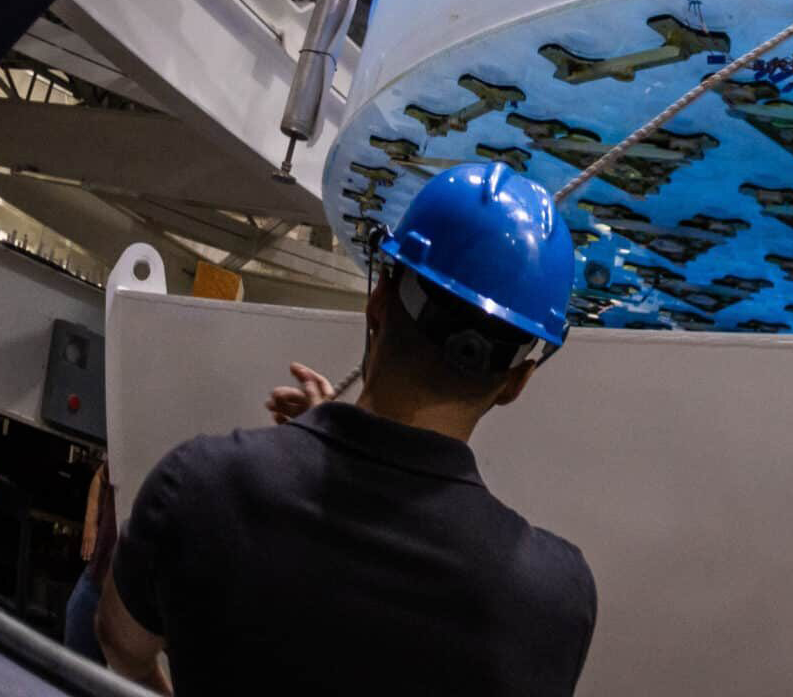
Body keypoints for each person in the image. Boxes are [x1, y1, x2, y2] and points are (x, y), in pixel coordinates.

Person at [95, 162, 594, 696]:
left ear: (378, 298)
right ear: (518, 380)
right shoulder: (553, 598)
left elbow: (120, 643)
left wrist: (314, 447)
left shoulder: (200, 485)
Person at [63, 463, 114, 661]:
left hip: (131, 602)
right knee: (73, 666)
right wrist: (90, 525)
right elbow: (100, 477)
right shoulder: (133, 444)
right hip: (96, 580)